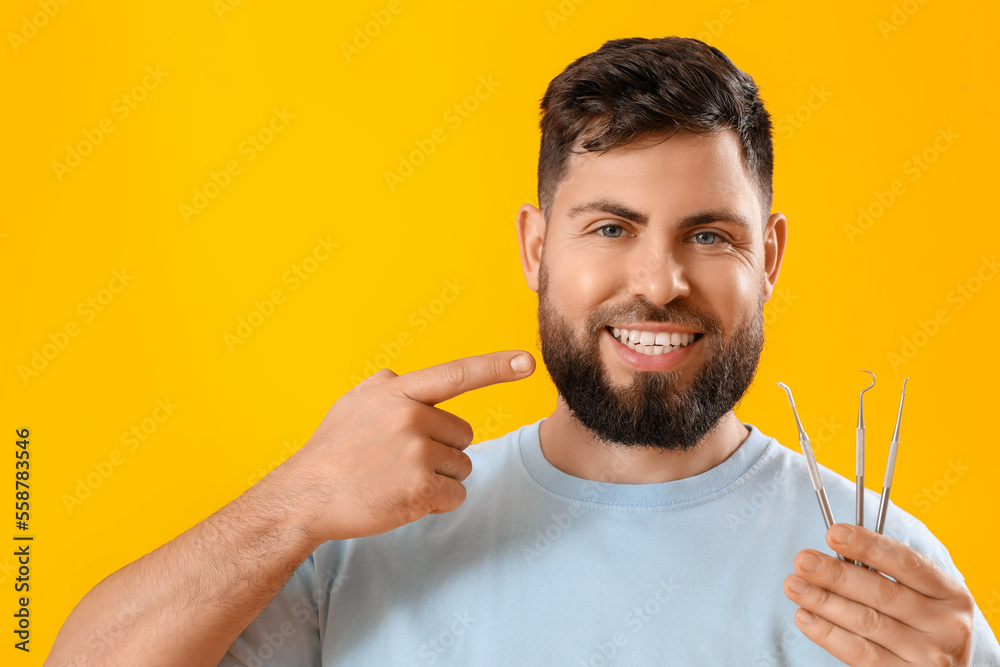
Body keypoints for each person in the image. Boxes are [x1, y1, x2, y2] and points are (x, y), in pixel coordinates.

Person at [46, 36, 999, 667]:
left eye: (710, 234)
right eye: (611, 227)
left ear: (772, 256)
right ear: (537, 249)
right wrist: (294, 502)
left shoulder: (886, 580)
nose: (660, 281)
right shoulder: (367, 541)